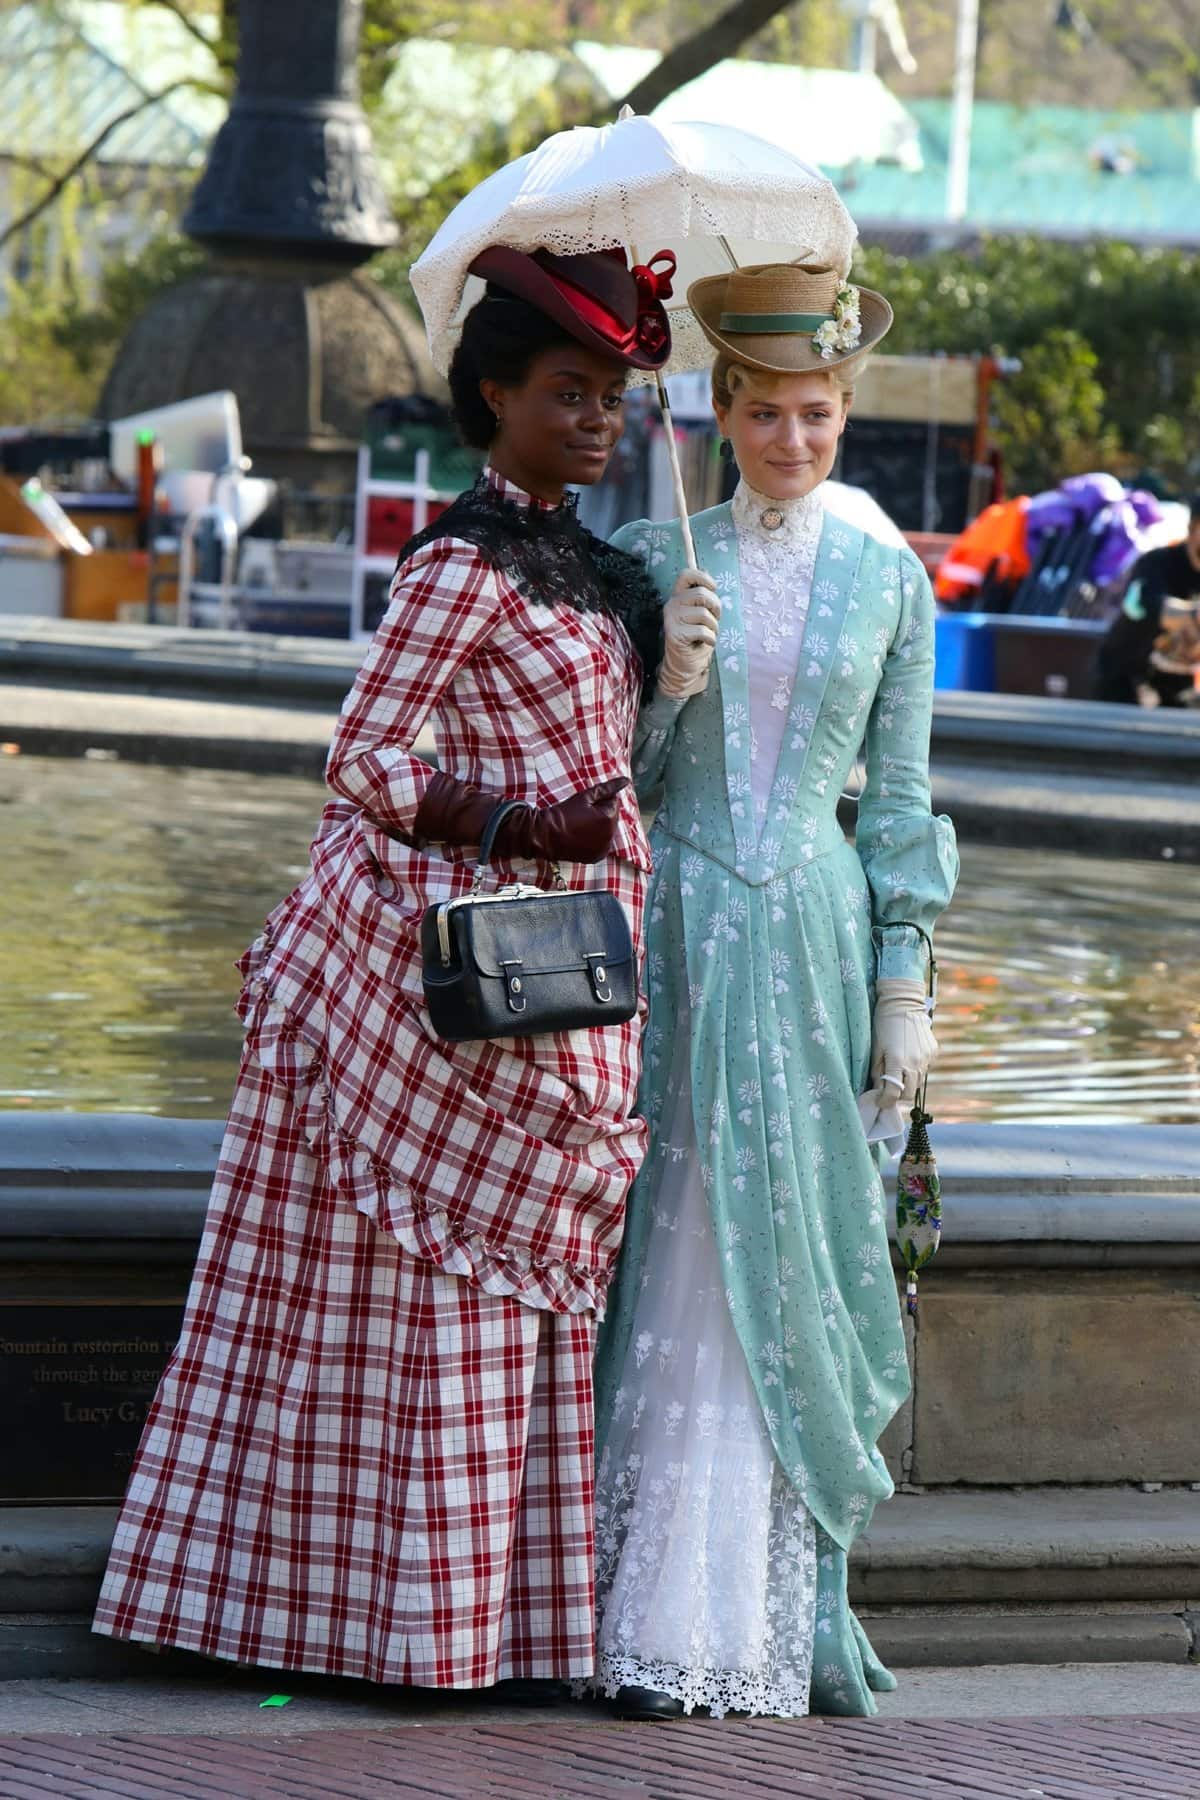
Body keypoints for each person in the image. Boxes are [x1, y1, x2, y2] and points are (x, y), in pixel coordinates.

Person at [93, 244, 681, 1695]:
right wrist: (525, 823)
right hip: (466, 973)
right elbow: (362, 756)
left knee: (517, 1304)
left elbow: (602, 758)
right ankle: (372, 1632)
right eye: (567, 391)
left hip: (578, 971)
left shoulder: (594, 566)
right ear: (494, 397)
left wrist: (667, 689)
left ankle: (499, 1633)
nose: (598, 417)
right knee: (424, 1303)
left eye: (612, 394)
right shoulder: (461, 561)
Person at [590, 263, 959, 1721]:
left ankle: (764, 1618)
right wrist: (663, 686)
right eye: (767, 415)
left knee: (798, 1247)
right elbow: (614, 793)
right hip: (679, 921)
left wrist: (903, 986)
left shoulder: (890, 581)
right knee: (672, 1225)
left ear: (842, 413)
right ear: (724, 412)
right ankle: (637, 1614)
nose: (793, 439)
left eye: (817, 415)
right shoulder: (652, 556)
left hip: (809, 931)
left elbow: (904, 801)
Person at [1094, 496, 1200, 705]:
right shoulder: (1156, 564)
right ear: (1192, 528)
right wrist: (1194, 615)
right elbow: (1152, 607)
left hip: (1179, 687)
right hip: (1126, 686)